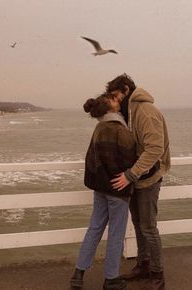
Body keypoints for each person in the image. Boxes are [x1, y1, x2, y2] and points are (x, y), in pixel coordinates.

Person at [106, 74, 170, 290]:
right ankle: (143, 266)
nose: (114, 100)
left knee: (149, 227)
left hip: (148, 178)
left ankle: (158, 275)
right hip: (137, 176)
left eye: (116, 95)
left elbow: (155, 148)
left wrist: (130, 175)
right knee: (138, 225)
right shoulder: (130, 112)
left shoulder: (145, 111)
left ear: (126, 89)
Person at [70, 93, 136, 290]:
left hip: (100, 189)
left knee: (95, 228)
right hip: (117, 189)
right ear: (110, 108)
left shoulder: (99, 127)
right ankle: (111, 278)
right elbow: (131, 160)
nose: (119, 101)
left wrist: (99, 182)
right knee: (116, 233)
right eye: (115, 100)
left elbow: (90, 159)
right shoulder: (119, 129)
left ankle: (78, 275)